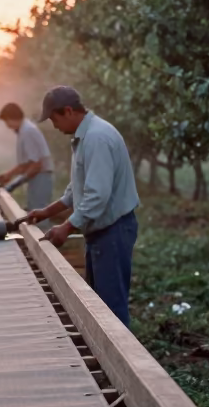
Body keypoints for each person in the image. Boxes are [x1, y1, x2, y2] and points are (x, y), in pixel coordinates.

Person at [26, 86, 139, 327]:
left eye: (54, 119)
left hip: (113, 232)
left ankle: (118, 361)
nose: (54, 126)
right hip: (101, 232)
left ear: (68, 111)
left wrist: (66, 227)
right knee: (99, 303)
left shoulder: (97, 138)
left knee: (110, 309)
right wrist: (47, 212)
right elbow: (78, 188)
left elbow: (97, 196)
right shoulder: (84, 137)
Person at [0, 102, 54, 226]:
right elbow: (25, 164)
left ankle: (44, 243)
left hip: (41, 176)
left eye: (7, 122)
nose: (7, 126)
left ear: (12, 118)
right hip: (36, 177)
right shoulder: (23, 130)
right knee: (34, 211)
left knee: (39, 214)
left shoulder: (28, 131)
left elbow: (37, 164)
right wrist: (8, 176)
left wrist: (16, 183)